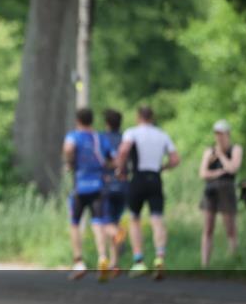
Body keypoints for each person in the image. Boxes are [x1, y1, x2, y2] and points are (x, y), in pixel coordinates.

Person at [115, 106, 179, 278]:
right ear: (153, 117)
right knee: (157, 219)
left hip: (137, 178)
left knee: (134, 219)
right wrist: (162, 167)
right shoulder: (162, 134)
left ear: (138, 117)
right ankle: (159, 258)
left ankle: (139, 261)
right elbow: (175, 159)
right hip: (155, 178)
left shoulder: (132, 132)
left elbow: (123, 150)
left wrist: (120, 169)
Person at [62, 108, 114, 281]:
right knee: (98, 223)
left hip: (80, 187)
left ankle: (78, 261)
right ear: (92, 120)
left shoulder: (74, 136)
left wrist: (70, 163)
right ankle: (102, 257)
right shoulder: (100, 138)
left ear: (78, 120)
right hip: (98, 186)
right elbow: (113, 159)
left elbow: (68, 148)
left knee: (75, 223)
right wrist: (106, 167)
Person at [198, 120, 243, 266]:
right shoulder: (209, 151)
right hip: (211, 190)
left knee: (230, 228)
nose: (219, 137)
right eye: (217, 134)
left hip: (227, 189)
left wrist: (221, 156)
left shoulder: (235, 149)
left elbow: (232, 168)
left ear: (228, 134)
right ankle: (205, 264)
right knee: (208, 227)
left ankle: (233, 261)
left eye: (221, 134)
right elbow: (203, 173)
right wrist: (219, 172)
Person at [101, 109, 128, 274]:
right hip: (124, 185)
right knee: (114, 221)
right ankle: (115, 263)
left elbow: (101, 160)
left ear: (107, 123)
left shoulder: (102, 139)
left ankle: (119, 234)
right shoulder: (126, 139)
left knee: (104, 223)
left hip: (107, 185)